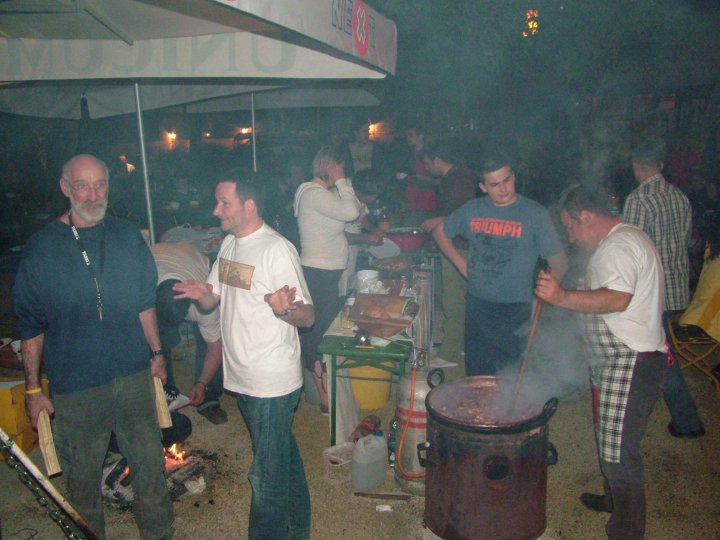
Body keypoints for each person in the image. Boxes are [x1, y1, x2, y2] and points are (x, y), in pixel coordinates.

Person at [13, 154, 174, 539]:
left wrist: (157, 353)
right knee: (82, 483)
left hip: (133, 375)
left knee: (151, 469)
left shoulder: (126, 235)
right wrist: (33, 390)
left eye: (100, 184)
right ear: (64, 188)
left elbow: (145, 302)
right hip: (77, 386)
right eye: (82, 186)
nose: (92, 194)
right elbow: (31, 326)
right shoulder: (42, 247)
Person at [173, 172, 314, 540]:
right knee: (283, 460)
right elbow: (215, 298)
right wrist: (203, 294)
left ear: (249, 206)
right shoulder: (229, 245)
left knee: (265, 479)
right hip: (244, 378)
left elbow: (308, 315)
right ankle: (298, 530)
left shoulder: (276, 249)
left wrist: (285, 310)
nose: (216, 210)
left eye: (224, 203)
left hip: (271, 380)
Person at [536, 184, 668, 540]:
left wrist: (561, 296)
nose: (571, 237)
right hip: (614, 363)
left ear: (586, 217)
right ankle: (613, 500)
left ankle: (626, 531)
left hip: (630, 362)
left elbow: (617, 299)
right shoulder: (624, 239)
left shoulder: (618, 247)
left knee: (619, 455)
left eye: (571, 227)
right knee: (609, 437)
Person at [426, 147, 567, 375]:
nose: (503, 189)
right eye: (494, 184)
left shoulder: (534, 213)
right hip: (478, 305)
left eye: (507, 180)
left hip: (518, 307)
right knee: (478, 373)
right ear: (483, 187)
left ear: (514, 177)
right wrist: (461, 265)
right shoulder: (473, 209)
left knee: (513, 376)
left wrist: (542, 298)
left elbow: (558, 261)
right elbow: (440, 231)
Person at [623, 138, 705, 439]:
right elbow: (687, 242)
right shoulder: (680, 196)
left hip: (650, 290)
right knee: (655, 348)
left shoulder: (638, 199)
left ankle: (688, 421)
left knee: (660, 354)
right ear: (660, 164)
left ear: (636, 166)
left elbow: (629, 250)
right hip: (674, 288)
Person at [293, 146, 361, 411]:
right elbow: (351, 212)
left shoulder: (320, 194)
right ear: (330, 166)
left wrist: (342, 186)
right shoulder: (312, 193)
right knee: (317, 331)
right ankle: (320, 393)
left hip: (325, 273)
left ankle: (319, 386)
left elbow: (353, 212)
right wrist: (342, 181)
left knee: (322, 329)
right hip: (317, 272)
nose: (343, 173)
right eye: (340, 167)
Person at [150, 241, 227, 425]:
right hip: (154, 255)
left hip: (191, 255)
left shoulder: (202, 304)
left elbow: (215, 347)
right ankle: (167, 395)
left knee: (207, 337)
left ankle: (208, 397)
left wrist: (202, 383)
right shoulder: (142, 290)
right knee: (156, 341)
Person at [420, 138, 479, 367]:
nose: (427, 168)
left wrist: (437, 221)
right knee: (460, 299)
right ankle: (460, 346)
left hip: (459, 246)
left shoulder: (459, 180)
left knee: (453, 300)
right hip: (457, 244)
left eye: (427, 163)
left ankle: (449, 354)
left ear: (437, 160)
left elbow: (467, 214)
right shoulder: (455, 177)